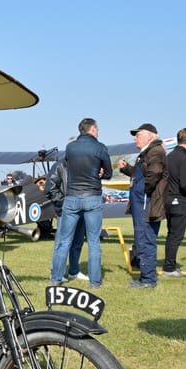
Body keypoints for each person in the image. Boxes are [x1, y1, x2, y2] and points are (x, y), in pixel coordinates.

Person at [49, 118, 112, 288]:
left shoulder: (70, 148)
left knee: (64, 241)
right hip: (92, 196)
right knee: (93, 242)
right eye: (97, 129)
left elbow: (70, 167)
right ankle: (95, 282)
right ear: (92, 129)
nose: (98, 132)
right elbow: (108, 173)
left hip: (71, 197)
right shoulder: (100, 147)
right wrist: (100, 173)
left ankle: (55, 279)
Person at [118, 123, 169, 289]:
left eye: (138, 135)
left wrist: (144, 191)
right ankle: (145, 277)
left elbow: (154, 173)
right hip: (141, 203)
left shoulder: (155, 151)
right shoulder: (147, 152)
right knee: (142, 239)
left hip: (147, 203)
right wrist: (126, 169)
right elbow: (141, 174)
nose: (135, 138)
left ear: (150, 136)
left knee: (146, 240)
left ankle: (148, 280)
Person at [44, 159, 88, 281]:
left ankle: (74, 271)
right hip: (66, 210)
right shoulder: (60, 165)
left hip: (82, 208)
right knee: (62, 243)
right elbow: (50, 188)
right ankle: (56, 272)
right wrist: (64, 204)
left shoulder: (85, 164)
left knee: (78, 242)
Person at [162, 128, 186, 277]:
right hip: (181, 200)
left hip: (169, 199)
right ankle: (169, 268)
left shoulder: (169, 156)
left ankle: (169, 265)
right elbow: (185, 184)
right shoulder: (184, 158)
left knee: (171, 234)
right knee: (176, 236)